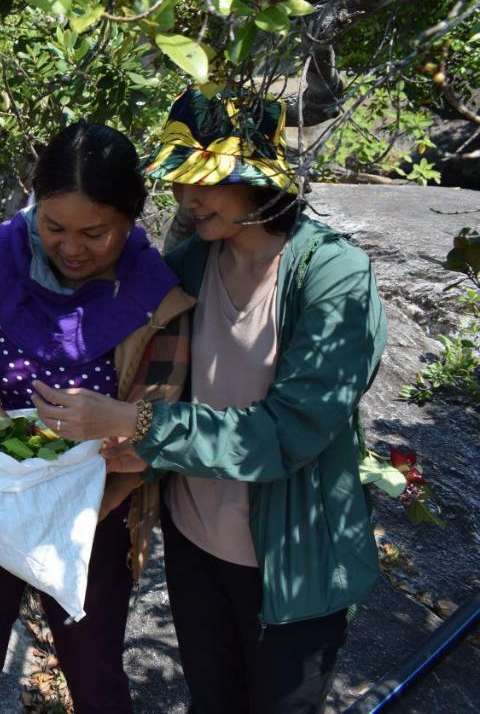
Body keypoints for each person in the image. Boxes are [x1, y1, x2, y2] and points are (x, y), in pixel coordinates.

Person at [38, 87, 387, 714]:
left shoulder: (334, 277)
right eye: (179, 183)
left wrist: (136, 423)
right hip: (197, 543)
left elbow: (289, 433)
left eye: (206, 182)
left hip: (291, 561)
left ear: (259, 181)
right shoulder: (192, 265)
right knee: (213, 699)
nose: (187, 198)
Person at [0, 122, 195, 714]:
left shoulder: (157, 300)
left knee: (96, 677)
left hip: (92, 517)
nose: (70, 248)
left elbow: (155, 425)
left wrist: (47, 515)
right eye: (53, 226)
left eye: (96, 232)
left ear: (134, 216)